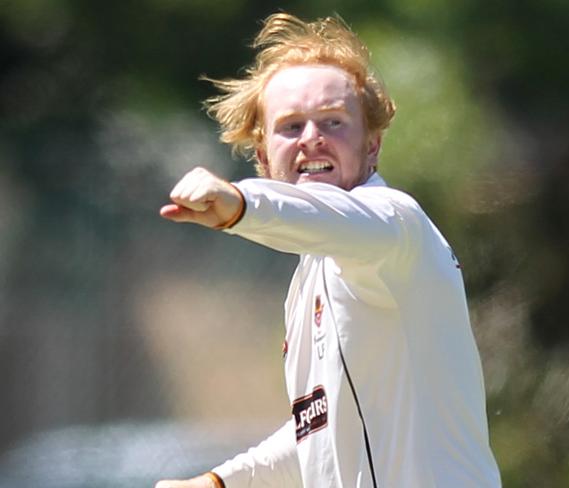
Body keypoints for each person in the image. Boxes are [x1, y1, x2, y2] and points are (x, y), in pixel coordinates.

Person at [155, 12, 501, 488]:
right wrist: (219, 482)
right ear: (262, 155)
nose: (311, 138)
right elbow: (319, 434)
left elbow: (325, 216)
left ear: (373, 146)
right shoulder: (310, 276)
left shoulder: (394, 225)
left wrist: (241, 203)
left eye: (333, 122)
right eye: (291, 126)